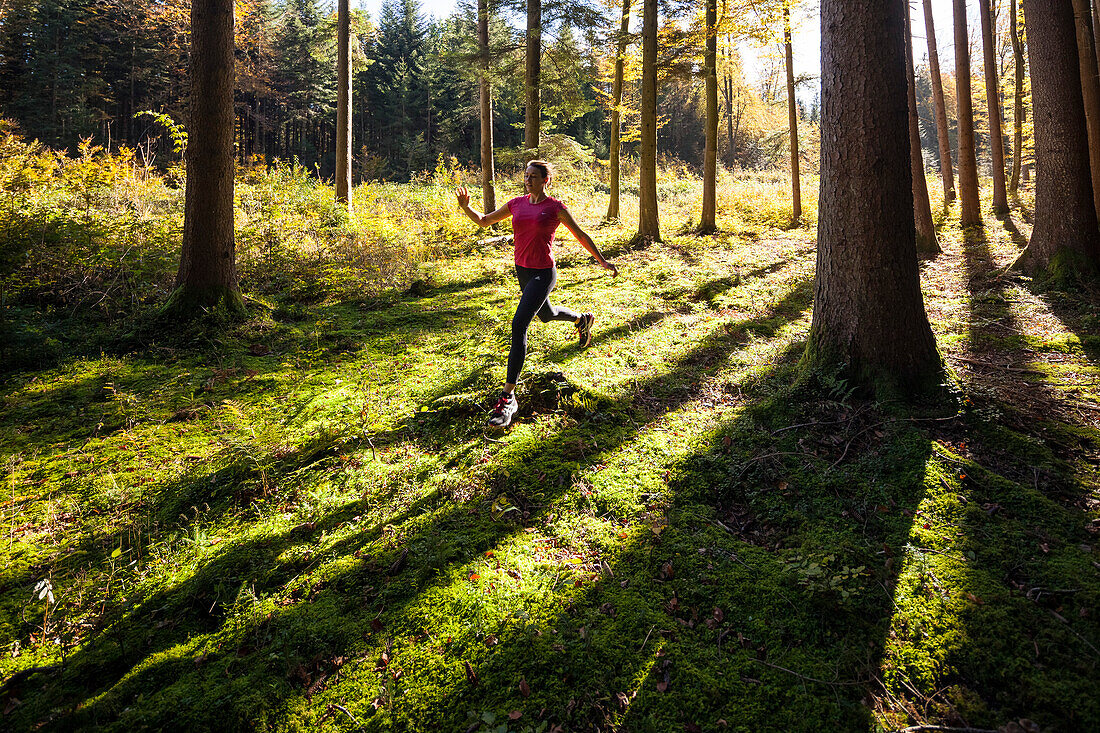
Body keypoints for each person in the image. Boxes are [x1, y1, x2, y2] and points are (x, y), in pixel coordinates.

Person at [456, 160, 618, 428]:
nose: (528, 180)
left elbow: (580, 235)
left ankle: (508, 397)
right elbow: (484, 221)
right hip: (523, 271)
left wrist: (601, 261)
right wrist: (465, 208)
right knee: (546, 313)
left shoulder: (555, 208)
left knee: (519, 324)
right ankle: (581, 319)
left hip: (544, 273)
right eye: (526, 175)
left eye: (533, 176)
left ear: (546, 180)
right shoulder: (516, 204)